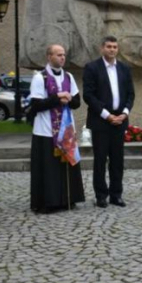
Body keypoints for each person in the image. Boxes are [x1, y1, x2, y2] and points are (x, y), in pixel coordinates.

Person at [28, 44, 86, 213]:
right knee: (49, 167)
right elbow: (36, 104)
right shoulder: (40, 77)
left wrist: (69, 99)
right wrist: (57, 98)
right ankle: (47, 202)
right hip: (46, 130)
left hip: (66, 128)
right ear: (49, 57)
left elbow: (77, 102)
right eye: (58, 55)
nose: (62, 57)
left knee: (65, 165)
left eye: (64, 55)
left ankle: (68, 198)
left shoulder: (69, 76)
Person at [83, 36, 135, 208]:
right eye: (109, 46)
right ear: (102, 48)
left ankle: (116, 194)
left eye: (115, 47)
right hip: (101, 122)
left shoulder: (124, 69)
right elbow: (88, 95)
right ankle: (101, 195)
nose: (112, 49)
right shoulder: (92, 68)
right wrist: (107, 115)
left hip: (120, 121)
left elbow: (130, 94)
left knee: (117, 161)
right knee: (100, 160)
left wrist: (125, 113)